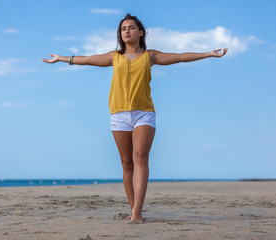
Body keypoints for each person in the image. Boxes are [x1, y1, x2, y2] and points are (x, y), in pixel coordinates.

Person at [43, 13, 227, 223]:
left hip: (143, 113)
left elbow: (180, 56)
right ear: (120, 35)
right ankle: (133, 209)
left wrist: (209, 54)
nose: (127, 31)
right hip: (119, 114)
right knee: (126, 163)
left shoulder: (150, 56)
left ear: (141, 32)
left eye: (131, 27)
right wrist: (62, 59)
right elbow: (87, 60)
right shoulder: (114, 57)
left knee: (140, 156)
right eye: (123, 29)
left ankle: (137, 212)